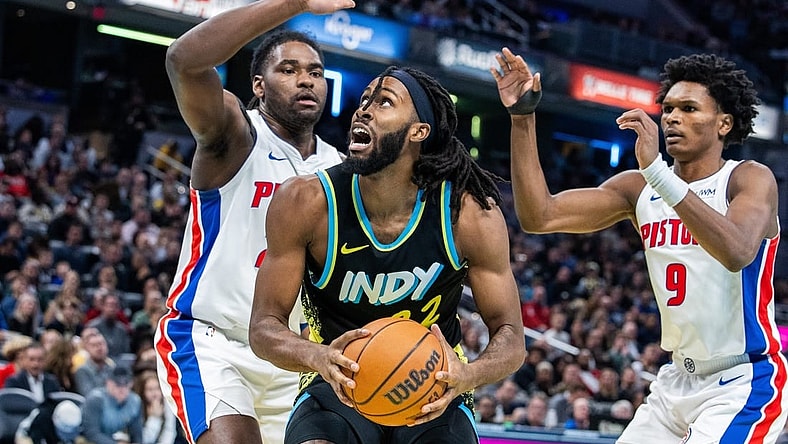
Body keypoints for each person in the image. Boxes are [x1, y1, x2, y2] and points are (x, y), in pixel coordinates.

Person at [493, 47, 788, 442]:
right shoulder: (639, 189)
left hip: (743, 380)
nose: (672, 118)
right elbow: (539, 216)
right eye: (667, 109)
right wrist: (522, 117)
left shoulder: (747, 179)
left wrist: (657, 173)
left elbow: (736, 251)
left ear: (724, 123)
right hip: (675, 380)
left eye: (688, 109)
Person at [249, 65, 525, 443]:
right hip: (336, 382)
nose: (364, 110)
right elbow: (264, 328)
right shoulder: (305, 202)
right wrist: (317, 356)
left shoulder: (470, 214)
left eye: (384, 102)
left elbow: (511, 336)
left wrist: (469, 375)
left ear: (418, 131)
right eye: (364, 100)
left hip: (434, 386)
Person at [152, 0, 352, 443]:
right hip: (212, 339)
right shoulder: (235, 137)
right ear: (258, 86)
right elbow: (183, 60)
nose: (306, 79)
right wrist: (295, 4)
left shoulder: (341, 170)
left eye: (316, 72)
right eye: (289, 69)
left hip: (294, 356)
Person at [82, 365, 143, 444]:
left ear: (131, 384)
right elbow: (91, 433)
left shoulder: (135, 401)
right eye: (117, 385)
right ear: (108, 383)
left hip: (114, 438)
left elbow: (137, 435)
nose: (122, 389)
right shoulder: (96, 399)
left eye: (126, 385)